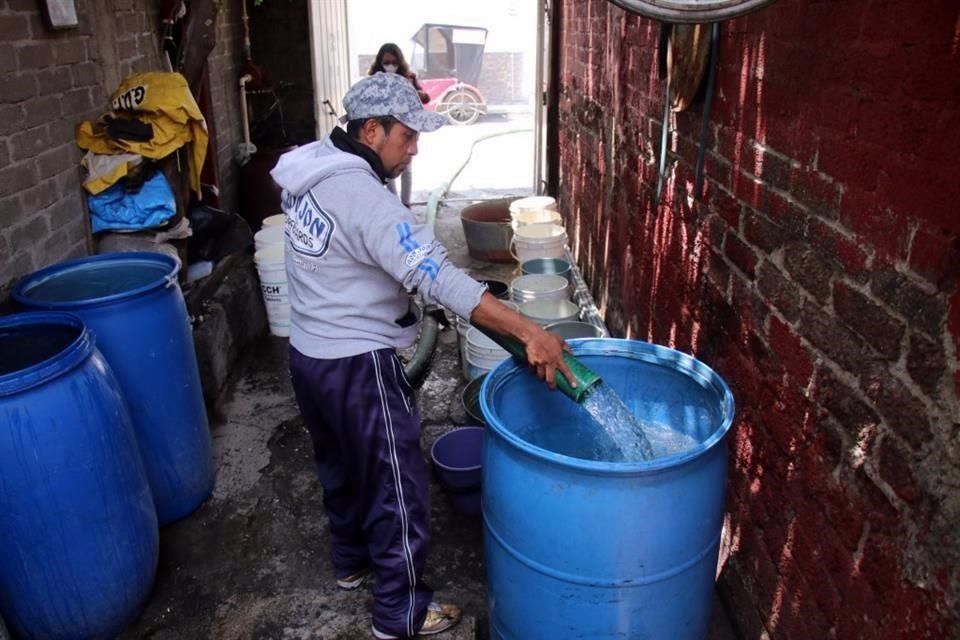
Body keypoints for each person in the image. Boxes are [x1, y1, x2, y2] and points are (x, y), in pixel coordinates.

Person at [270, 72, 574, 640]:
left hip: (308, 356)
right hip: (358, 365)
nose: (414, 149)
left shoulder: (308, 167)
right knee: (395, 487)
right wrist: (529, 331)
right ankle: (401, 612)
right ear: (370, 130)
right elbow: (441, 279)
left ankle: (351, 561)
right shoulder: (366, 200)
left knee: (339, 465)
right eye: (406, 137)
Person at [368, 43, 428, 207]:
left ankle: (406, 203)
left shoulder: (408, 77)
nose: (390, 66)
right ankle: (393, 202)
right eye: (386, 62)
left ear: (399, 62)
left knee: (406, 167)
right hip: (385, 129)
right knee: (388, 167)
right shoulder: (374, 80)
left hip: (408, 127)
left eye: (394, 62)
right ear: (380, 62)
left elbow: (425, 97)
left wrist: (413, 91)